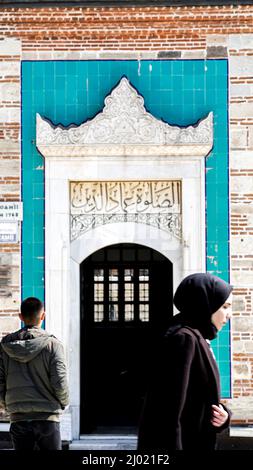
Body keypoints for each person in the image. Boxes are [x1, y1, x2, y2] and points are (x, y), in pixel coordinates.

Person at [137, 272, 233, 452]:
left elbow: (198, 397)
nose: (228, 315)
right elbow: (168, 411)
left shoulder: (198, 337)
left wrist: (223, 416)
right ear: (205, 304)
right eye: (225, 306)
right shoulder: (183, 339)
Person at [0, 297, 69, 450]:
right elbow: (60, 381)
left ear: (20, 317)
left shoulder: (5, 347)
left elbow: (0, 382)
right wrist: (63, 402)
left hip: (18, 417)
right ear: (43, 316)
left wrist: (7, 405)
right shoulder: (53, 345)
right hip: (47, 417)